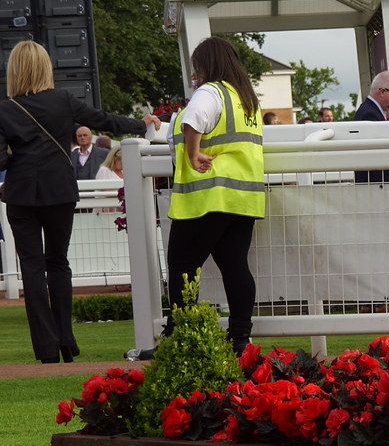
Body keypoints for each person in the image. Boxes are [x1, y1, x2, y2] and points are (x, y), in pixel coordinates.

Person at [0, 40, 159, 363]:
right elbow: (104, 120)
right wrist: (140, 125)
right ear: (45, 67)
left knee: (31, 267)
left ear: (13, 71)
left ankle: (45, 349)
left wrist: (17, 156)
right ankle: (66, 342)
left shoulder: (5, 109)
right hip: (59, 190)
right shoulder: (62, 101)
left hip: (21, 194)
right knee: (58, 261)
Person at [136, 36, 264, 358]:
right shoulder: (245, 99)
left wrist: (193, 155)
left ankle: (182, 338)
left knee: (182, 264)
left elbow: (195, 121)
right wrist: (160, 126)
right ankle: (239, 339)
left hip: (207, 196)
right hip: (242, 197)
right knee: (235, 265)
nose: (194, 74)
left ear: (206, 65)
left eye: (196, 67)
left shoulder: (209, 91)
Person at [353, 71, 389, 183]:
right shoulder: (369, 114)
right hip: (377, 187)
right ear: (383, 91)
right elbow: (376, 158)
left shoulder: (368, 110)